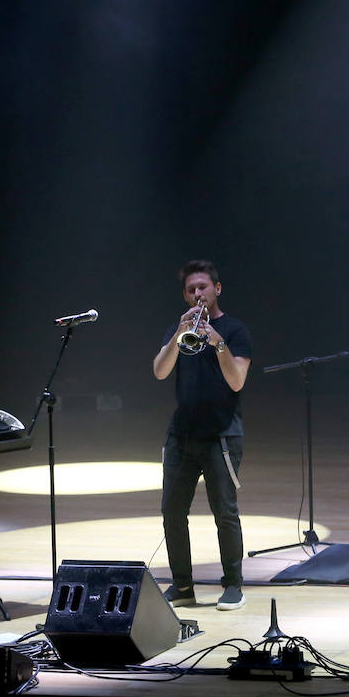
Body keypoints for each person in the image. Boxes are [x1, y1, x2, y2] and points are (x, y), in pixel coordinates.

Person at [152, 260, 253, 611]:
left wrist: (217, 342)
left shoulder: (235, 330)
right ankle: (182, 586)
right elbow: (160, 371)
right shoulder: (178, 330)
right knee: (172, 512)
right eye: (191, 289)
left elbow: (237, 381)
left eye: (203, 287)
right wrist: (178, 337)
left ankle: (233, 585)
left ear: (217, 289)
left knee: (224, 512)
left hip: (221, 435)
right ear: (185, 295)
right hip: (180, 436)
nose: (198, 294)